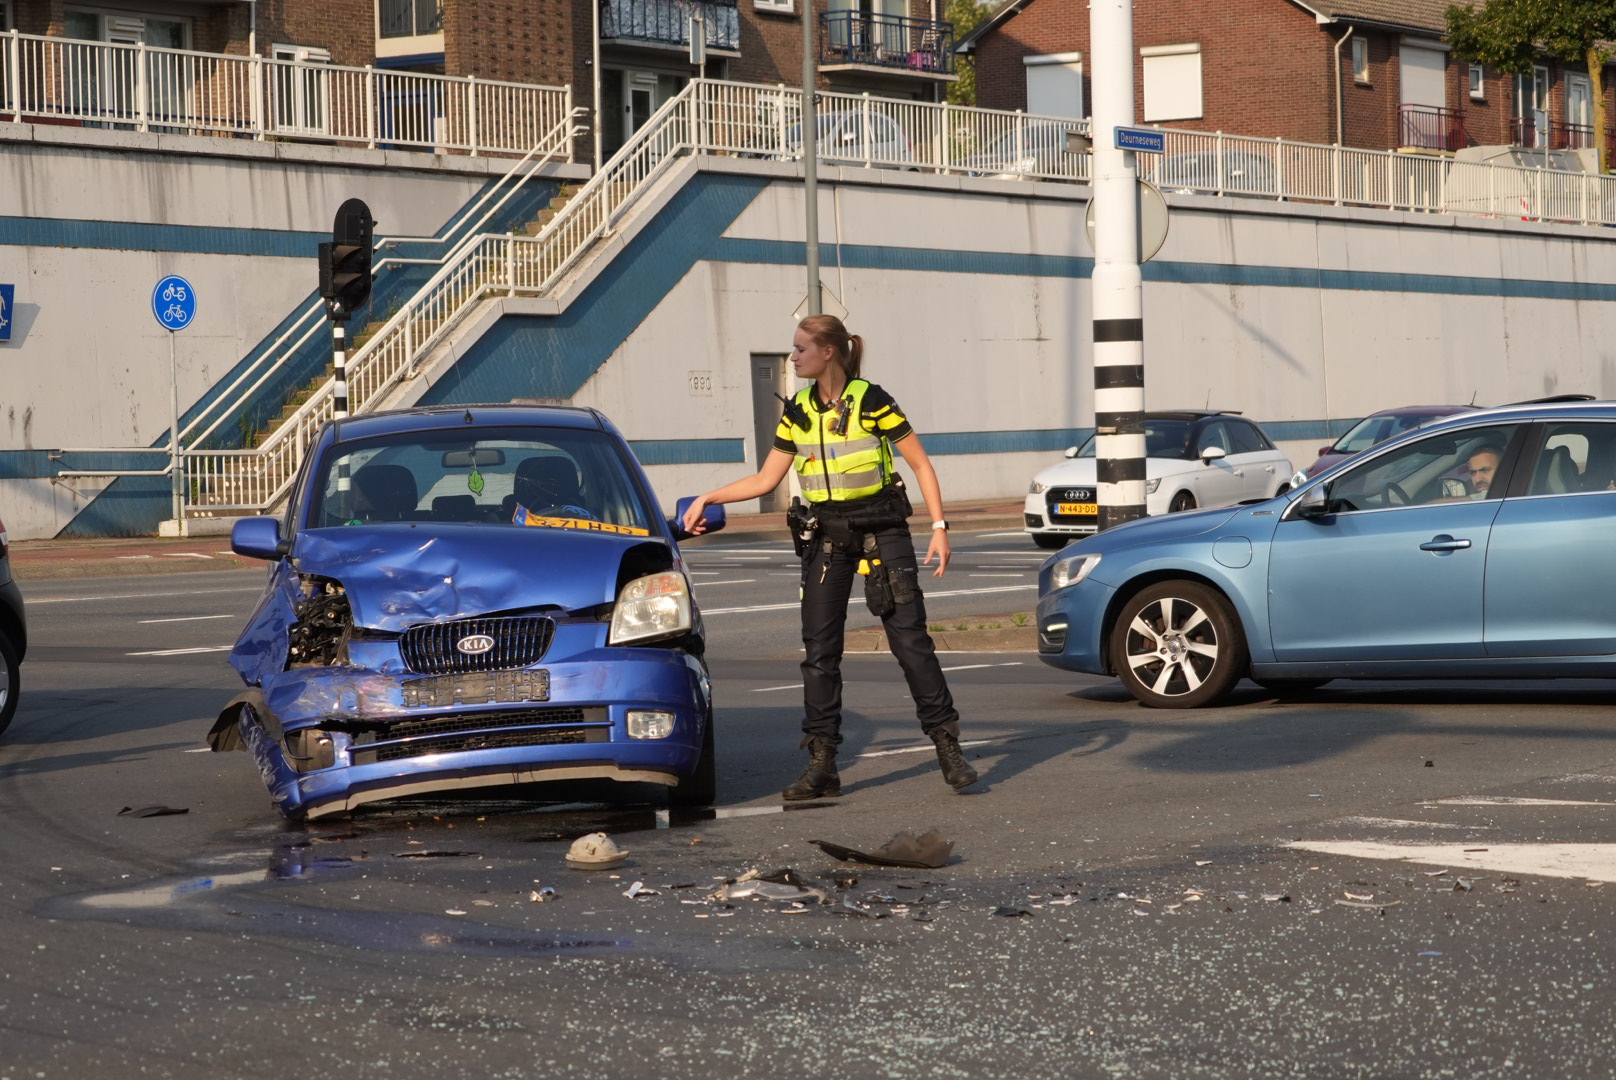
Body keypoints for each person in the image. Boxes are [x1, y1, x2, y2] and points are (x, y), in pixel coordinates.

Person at [681, 315, 979, 799]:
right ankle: (823, 765)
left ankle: (949, 749)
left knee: (910, 642)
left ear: (828, 353)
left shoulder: (872, 400)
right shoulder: (797, 409)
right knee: (820, 653)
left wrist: (940, 528)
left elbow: (920, 463)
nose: (793, 357)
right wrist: (708, 498)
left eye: (800, 349)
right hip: (826, 535)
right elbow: (765, 480)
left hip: (883, 530)